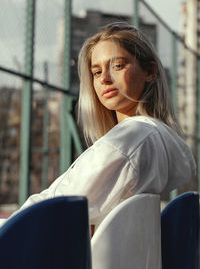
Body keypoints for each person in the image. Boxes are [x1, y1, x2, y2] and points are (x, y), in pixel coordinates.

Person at [0, 22, 196, 233]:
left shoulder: (130, 140)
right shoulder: (155, 139)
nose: (104, 78)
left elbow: (55, 209)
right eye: (96, 72)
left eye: (118, 66)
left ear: (150, 71)